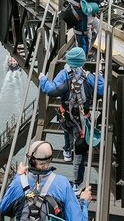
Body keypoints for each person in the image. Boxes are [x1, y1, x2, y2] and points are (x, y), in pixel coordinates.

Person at [39, 47, 104, 192]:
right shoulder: (88, 77)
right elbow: (101, 90)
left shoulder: (63, 75)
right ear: (82, 62)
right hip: (81, 120)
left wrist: (42, 78)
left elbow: (50, 90)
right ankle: (77, 184)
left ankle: (67, 151)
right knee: (79, 152)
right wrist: (99, 75)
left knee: (65, 127)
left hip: (66, 116)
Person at [0, 140, 91, 220]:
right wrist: (84, 201)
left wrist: (18, 176)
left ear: (30, 159)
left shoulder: (18, 182)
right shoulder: (62, 183)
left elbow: (3, 208)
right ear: (50, 159)